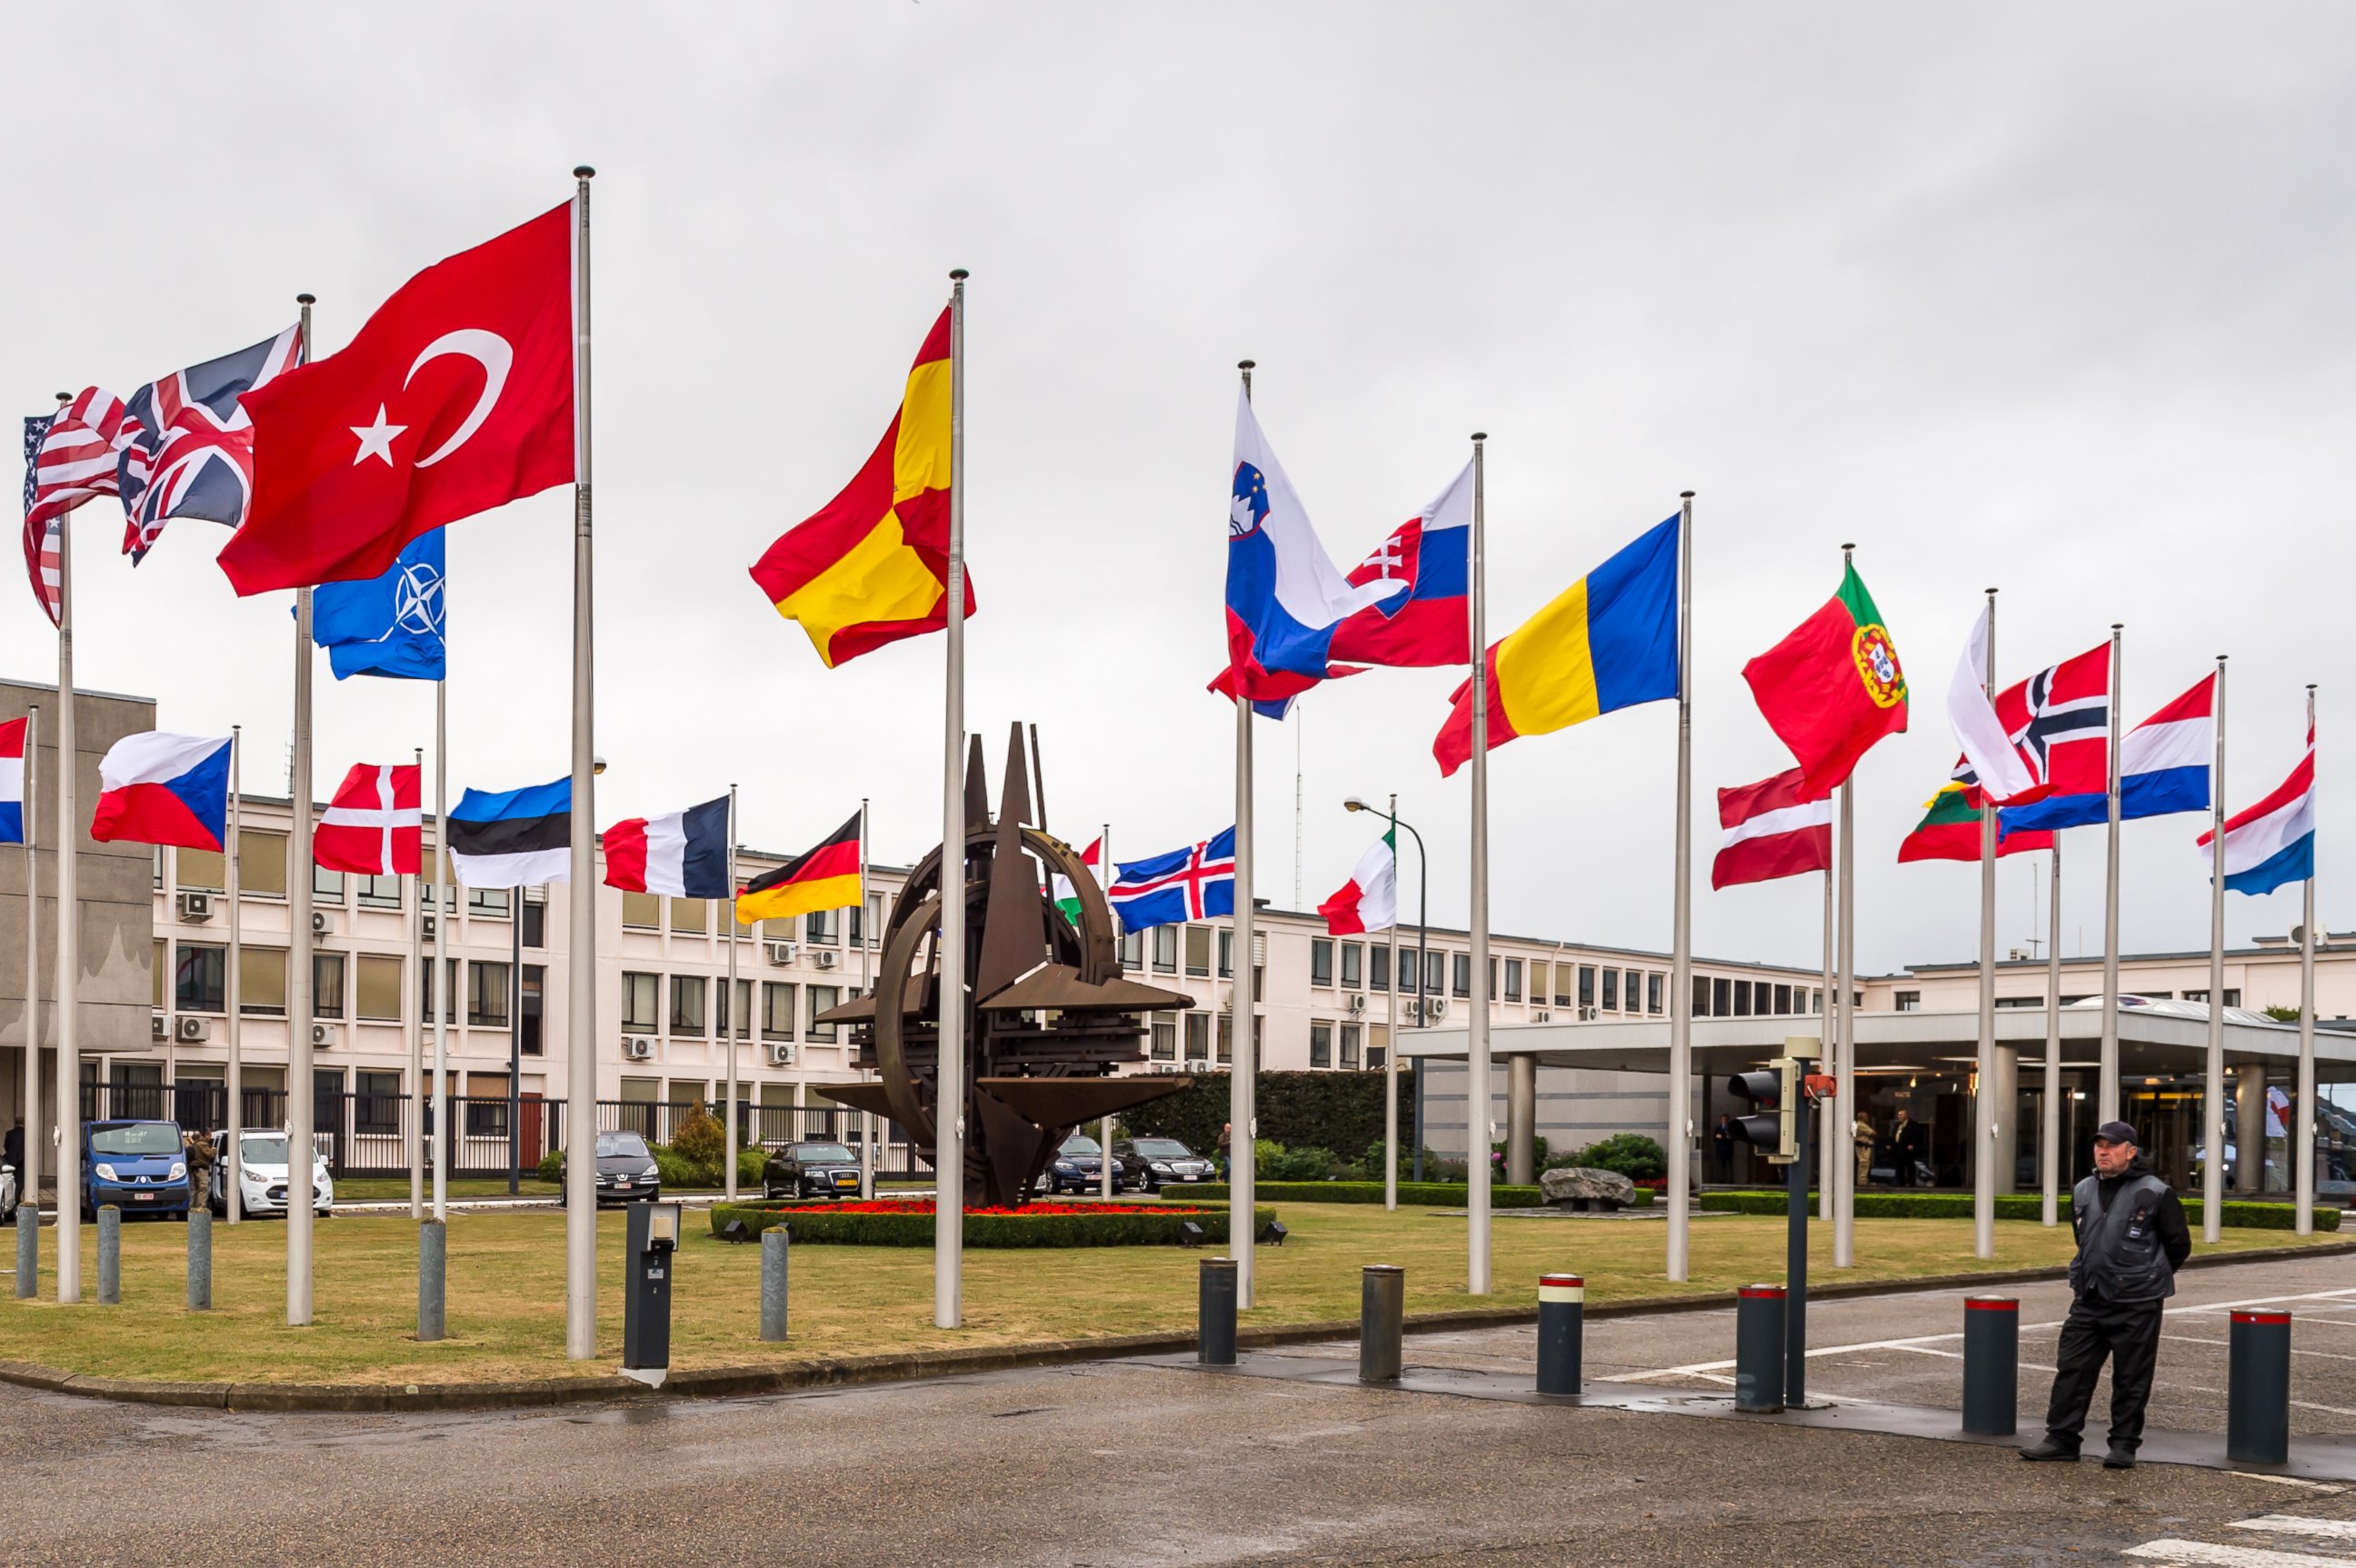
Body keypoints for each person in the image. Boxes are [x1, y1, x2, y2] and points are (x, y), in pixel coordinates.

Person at [2020, 1121, 2191, 1470]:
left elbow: (2178, 1245)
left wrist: (2144, 1277)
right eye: (2099, 1145)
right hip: (2090, 1297)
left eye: (2111, 1146)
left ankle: (2124, 1445)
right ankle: (2062, 1439)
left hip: (2137, 1302)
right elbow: (2083, 1238)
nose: (2103, 1151)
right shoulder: (2083, 1189)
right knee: (2072, 1369)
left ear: (2130, 1152)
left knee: (2131, 1376)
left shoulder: (2156, 1192)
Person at [185, 1127, 218, 1211]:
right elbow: (210, 1155)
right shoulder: (203, 1144)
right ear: (207, 1135)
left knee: (194, 1190)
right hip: (201, 1169)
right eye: (210, 1135)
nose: (210, 1138)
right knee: (203, 1188)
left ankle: (192, 1208)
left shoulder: (195, 1143)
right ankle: (201, 1208)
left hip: (193, 1169)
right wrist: (214, 1150)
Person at [1891, 1109, 1925, 1187]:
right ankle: (1901, 1182)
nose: (1899, 1116)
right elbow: (1894, 1135)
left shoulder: (1913, 1125)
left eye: (1901, 1115)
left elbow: (1917, 1137)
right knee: (1899, 1166)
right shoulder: (1897, 1125)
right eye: (1899, 1115)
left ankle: (1911, 1183)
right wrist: (1891, 1144)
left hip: (1908, 1149)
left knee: (1910, 1166)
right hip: (1899, 1148)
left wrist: (1913, 1144)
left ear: (1906, 1115)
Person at [1852, 1112, 1874, 1188]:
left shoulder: (1859, 1124)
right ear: (1862, 1117)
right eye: (1866, 1116)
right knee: (1864, 1163)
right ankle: (1862, 1181)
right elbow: (1873, 1133)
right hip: (1863, 1147)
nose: (1867, 1117)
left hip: (1863, 1146)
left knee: (1864, 1163)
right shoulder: (1861, 1125)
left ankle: (1863, 1180)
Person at [1711, 1115, 1734, 1183]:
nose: (1724, 1121)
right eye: (1722, 1119)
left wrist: (1729, 1137)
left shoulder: (1730, 1128)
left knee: (1729, 1165)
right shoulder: (1718, 1128)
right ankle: (1722, 1179)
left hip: (1728, 1149)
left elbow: (1733, 1138)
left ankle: (1730, 1179)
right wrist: (1717, 1136)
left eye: (1725, 1119)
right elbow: (1714, 1138)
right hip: (1720, 1149)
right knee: (1721, 1165)